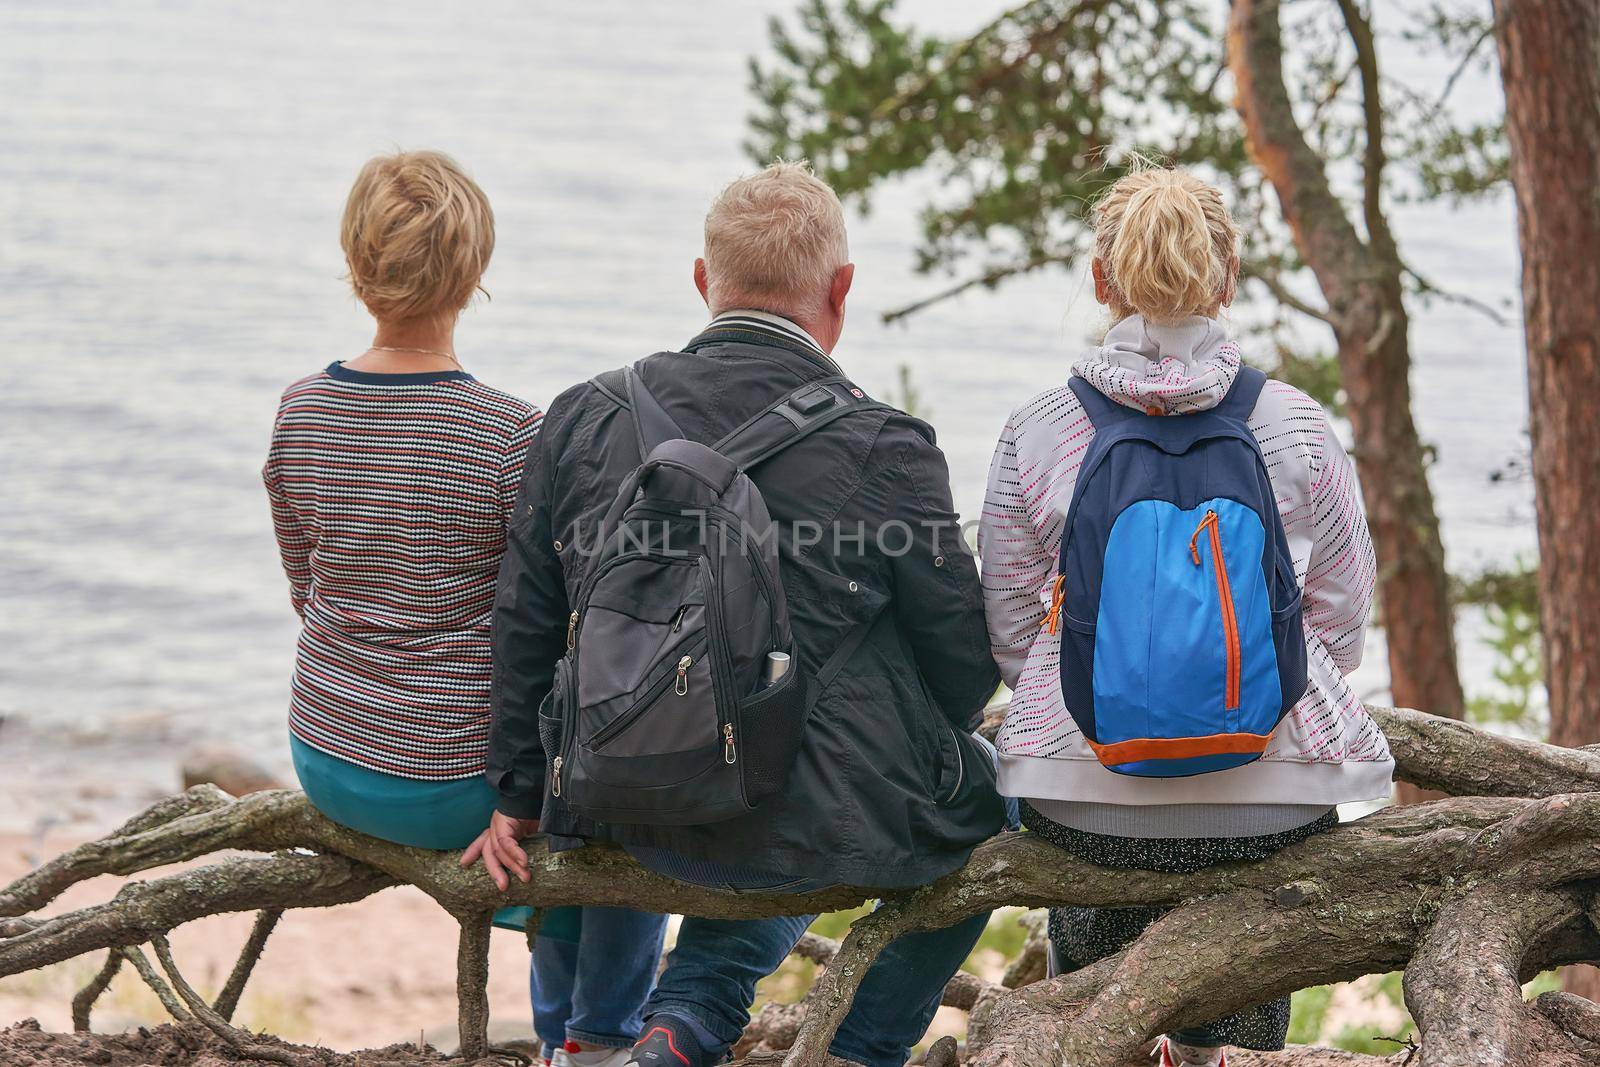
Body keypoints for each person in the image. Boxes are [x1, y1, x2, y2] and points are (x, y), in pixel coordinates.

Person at [473, 161, 1007, 1067]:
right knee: (994, 803)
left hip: (618, 800)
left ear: (701, 280)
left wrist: (520, 795)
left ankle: (676, 1024)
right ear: (841, 291)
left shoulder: (581, 417)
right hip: (797, 817)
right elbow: (964, 667)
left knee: (802, 795)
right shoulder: (888, 445)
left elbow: (525, 624)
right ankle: (853, 1047)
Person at [977, 165, 1390, 1067]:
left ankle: (1106, 1032)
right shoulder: (1297, 424)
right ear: (1228, 276)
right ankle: (1206, 1050)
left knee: (1094, 888)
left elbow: (1008, 625)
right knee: (1239, 940)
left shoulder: (1039, 427)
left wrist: (1108, 688)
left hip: (1087, 799)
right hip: (1267, 805)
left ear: (1100, 279)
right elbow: (1346, 617)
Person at [264, 150, 667, 1067]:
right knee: (619, 800)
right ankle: (589, 1037)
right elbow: (549, 632)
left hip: (326, 755)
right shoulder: (511, 432)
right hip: (457, 791)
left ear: (357, 264)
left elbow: (305, 590)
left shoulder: (300, 412)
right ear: (475, 273)